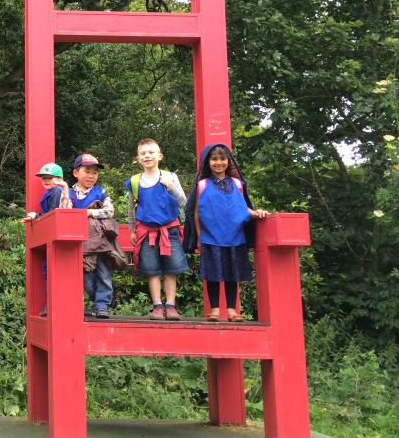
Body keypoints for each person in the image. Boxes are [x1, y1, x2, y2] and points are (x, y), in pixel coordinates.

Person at [183, 143, 269, 322]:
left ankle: (231, 311)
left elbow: (243, 208)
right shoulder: (202, 184)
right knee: (212, 275)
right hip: (210, 237)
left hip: (235, 236)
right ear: (208, 162)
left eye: (222, 158)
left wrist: (257, 213)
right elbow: (196, 212)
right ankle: (214, 310)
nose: (218, 162)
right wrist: (198, 237)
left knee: (233, 274)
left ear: (228, 161)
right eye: (214, 159)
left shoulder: (238, 183)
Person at [125, 138, 189, 320]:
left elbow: (183, 202)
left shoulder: (170, 177)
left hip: (170, 230)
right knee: (151, 270)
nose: (147, 156)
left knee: (171, 269)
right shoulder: (135, 181)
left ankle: (170, 305)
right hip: (146, 232)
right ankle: (157, 307)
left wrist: (170, 187)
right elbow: (131, 209)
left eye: (151, 152)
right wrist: (132, 230)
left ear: (160, 156)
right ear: (138, 158)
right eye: (143, 153)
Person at [69, 153, 126, 319]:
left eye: (94, 172)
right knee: (86, 275)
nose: (91, 176)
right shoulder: (70, 193)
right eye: (87, 171)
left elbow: (109, 211)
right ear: (76, 173)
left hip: (100, 240)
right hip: (81, 241)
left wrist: (88, 212)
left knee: (103, 272)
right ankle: (96, 303)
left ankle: (102, 304)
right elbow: (65, 211)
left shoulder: (101, 192)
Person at [22, 162, 72, 316]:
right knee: (47, 271)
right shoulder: (49, 193)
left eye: (50, 177)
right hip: (49, 237)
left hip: (56, 237)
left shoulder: (58, 192)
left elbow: (55, 213)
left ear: (59, 179)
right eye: (44, 178)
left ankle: (54, 305)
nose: (46, 180)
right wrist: (36, 216)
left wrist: (37, 216)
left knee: (52, 272)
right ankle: (51, 305)